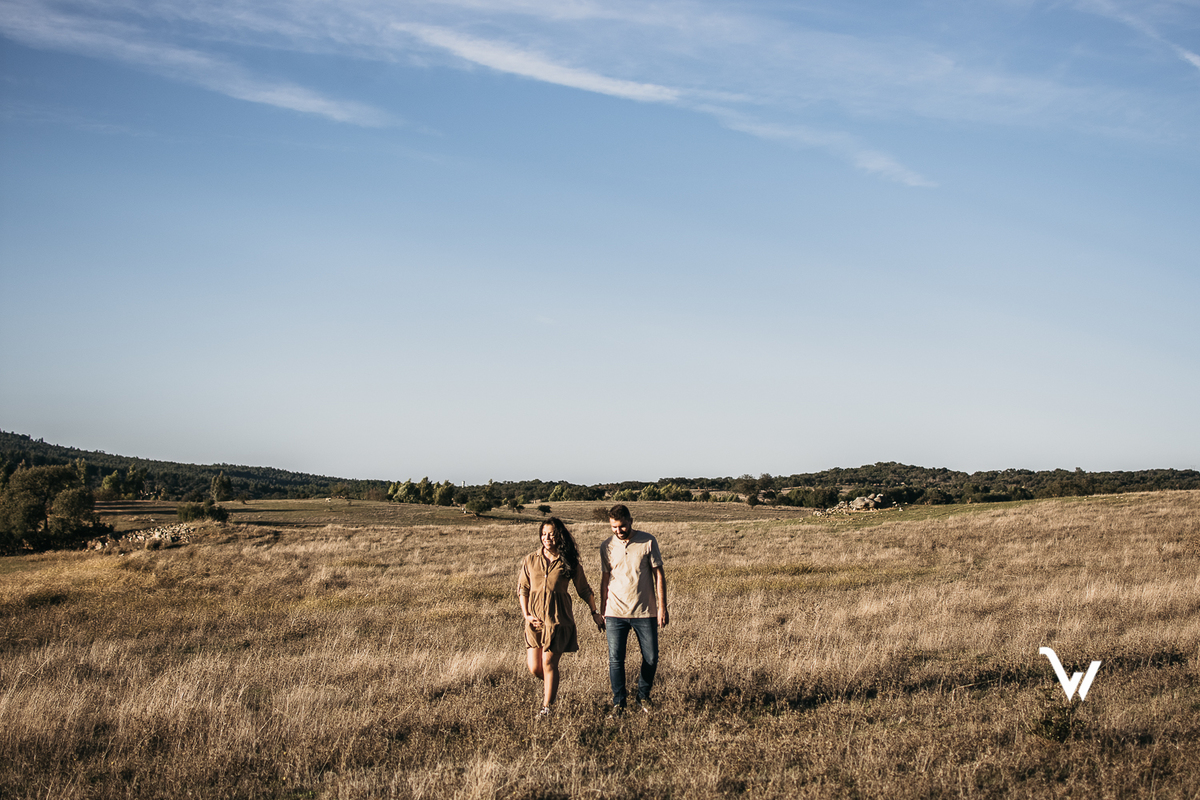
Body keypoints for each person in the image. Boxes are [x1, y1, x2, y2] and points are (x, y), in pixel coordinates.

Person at [518, 517, 603, 716]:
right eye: (544, 534)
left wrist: (594, 612)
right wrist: (527, 615)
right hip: (534, 621)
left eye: (551, 534)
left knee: (549, 664)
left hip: (558, 619)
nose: (547, 538)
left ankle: (547, 708)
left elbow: (583, 588)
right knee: (535, 668)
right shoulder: (531, 560)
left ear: (559, 536)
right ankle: (552, 683)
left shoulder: (568, 561)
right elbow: (523, 588)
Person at [599, 504, 668, 714]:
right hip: (614, 612)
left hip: (644, 612)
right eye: (613, 527)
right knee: (615, 660)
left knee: (651, 657)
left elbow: (659, 575)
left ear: (631, 521)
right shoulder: (607, 546)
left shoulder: (648, 541)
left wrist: (662, 607)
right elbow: (604, 579)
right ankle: (619, 702)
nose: (618, 531)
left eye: (621, 526)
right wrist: (602, 609)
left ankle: (643, 696)